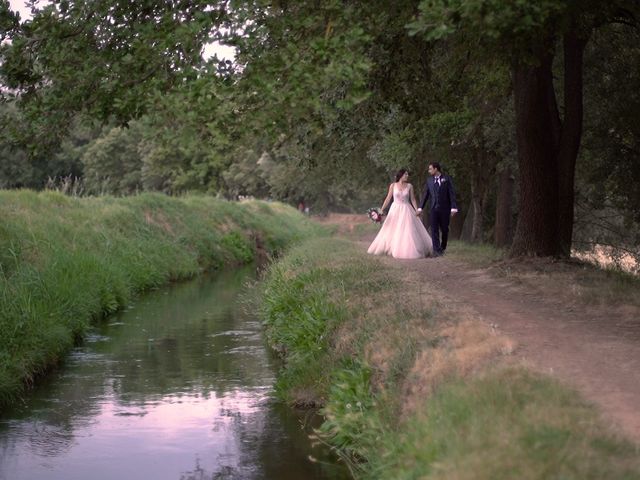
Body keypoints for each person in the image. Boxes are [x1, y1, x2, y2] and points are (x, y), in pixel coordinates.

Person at [367, 169, 434, 259]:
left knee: (408, 229)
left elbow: (413, 199)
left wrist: (417, 210)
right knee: (392, 228)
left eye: (407, 174)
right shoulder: (393, 186)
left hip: (406, 209)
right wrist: (381, 210)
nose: (407, 176)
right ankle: (390, 248)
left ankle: (407, 249)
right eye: (405, 174)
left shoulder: (410, 186)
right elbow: (388, 198)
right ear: (401, 175)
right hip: (395, 209)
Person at [417, 162, 458, 256]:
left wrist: (454, 207)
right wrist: (420, 208)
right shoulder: (429, 180)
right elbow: (425, 195)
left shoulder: (447, 179)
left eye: (430, 169)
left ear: (436, 169)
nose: (429, 171)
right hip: (433, 209)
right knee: (434, 229)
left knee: (444, 229)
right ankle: (436, 251)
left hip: (445, 208)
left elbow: (451, 194)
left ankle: (442, 247)